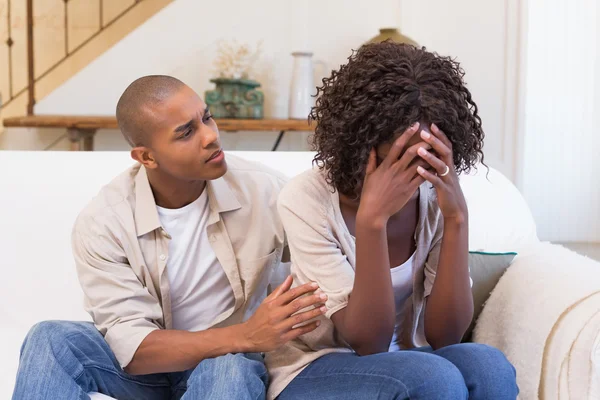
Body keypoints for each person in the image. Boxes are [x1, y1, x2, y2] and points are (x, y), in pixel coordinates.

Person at [12, 75, 328, 400]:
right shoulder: (103, 222)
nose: (210, 136)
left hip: (224, 362)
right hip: (148, 369)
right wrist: (246, 335)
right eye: (186, 132)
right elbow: (133, 348)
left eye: (206, 117)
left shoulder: (267, 192)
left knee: (228, 367)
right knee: (50, 338)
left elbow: (332, 260)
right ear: (146, 157)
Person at [265, 43, 519, 399]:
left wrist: (456, 218)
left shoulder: (435, 198)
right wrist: (372, 222)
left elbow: (445, 336)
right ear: (358, 145)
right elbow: (368, 341)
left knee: (488, 365)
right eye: (397, 159)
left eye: (428, 156)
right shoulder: (307, 199)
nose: (415, 173)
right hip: (317, 367)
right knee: (432, 377)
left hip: (416, 361)